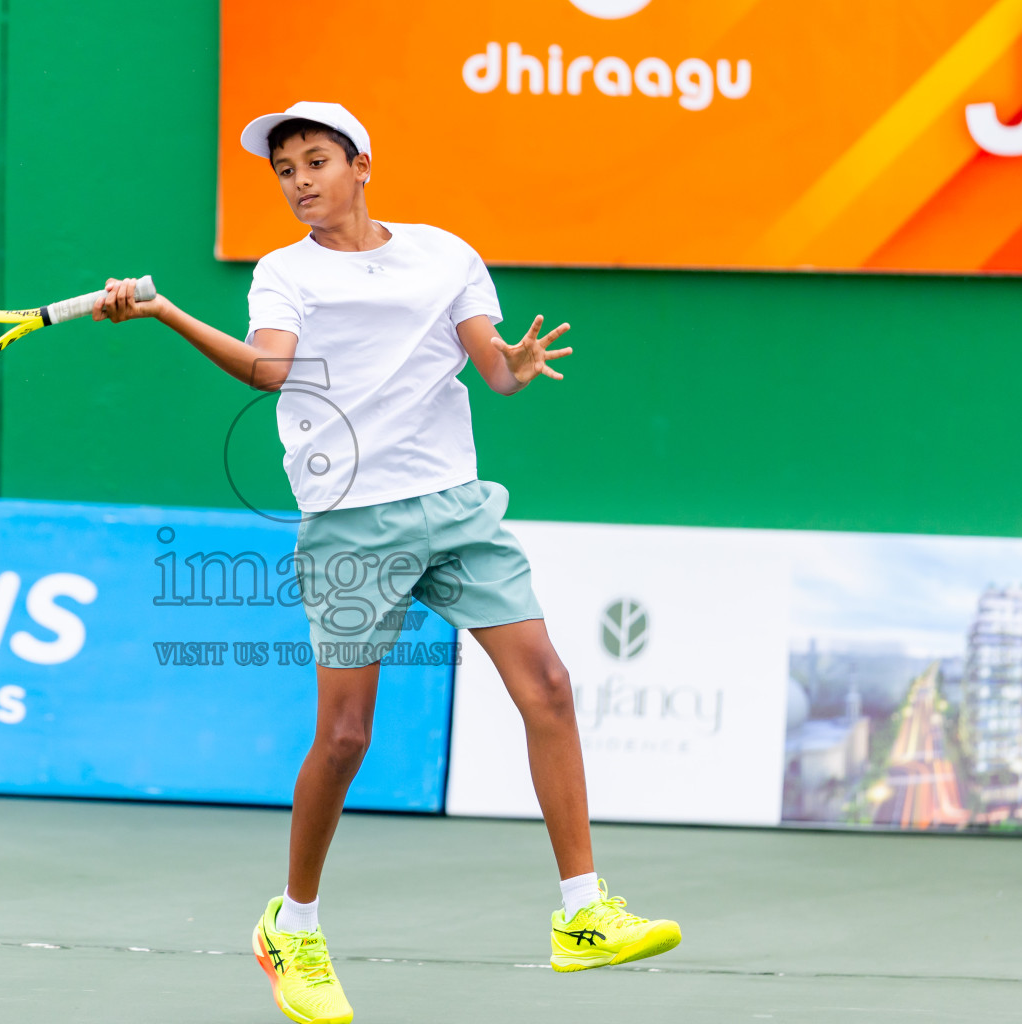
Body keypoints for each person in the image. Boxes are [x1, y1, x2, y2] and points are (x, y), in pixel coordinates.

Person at [94, 100, 680, 1024]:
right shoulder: (283, 273)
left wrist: (515, 364)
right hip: (351, 524)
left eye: (315, 160)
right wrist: (165, 309)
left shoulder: (446, 254)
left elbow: (490, 367)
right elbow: (266, 371)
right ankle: (294, 926)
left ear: (362, 162)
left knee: (550, 687)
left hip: (455, 506)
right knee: (345, 740)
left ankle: (584, 913)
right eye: (284, 170)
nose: (298, 181)